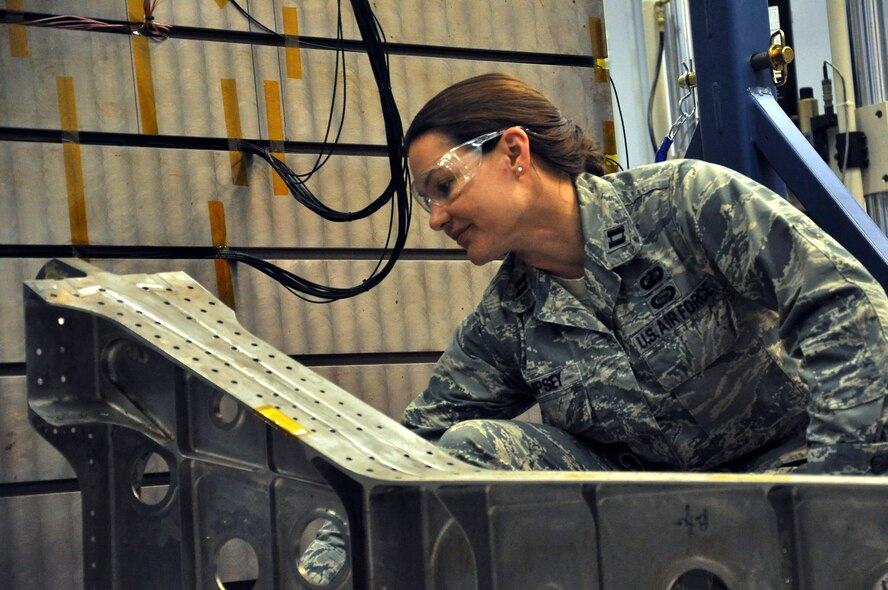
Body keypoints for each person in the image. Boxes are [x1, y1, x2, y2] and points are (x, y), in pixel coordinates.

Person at [401, 72, 888, 476]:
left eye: (444, 185)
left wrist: (833, 482)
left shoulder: (684, 203)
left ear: (514, 152)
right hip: (649, 515)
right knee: (466, 446)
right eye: (428, 200)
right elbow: (405, 456)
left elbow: (846, 307)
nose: (436, 218)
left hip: (789, 466)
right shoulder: (506, 320)